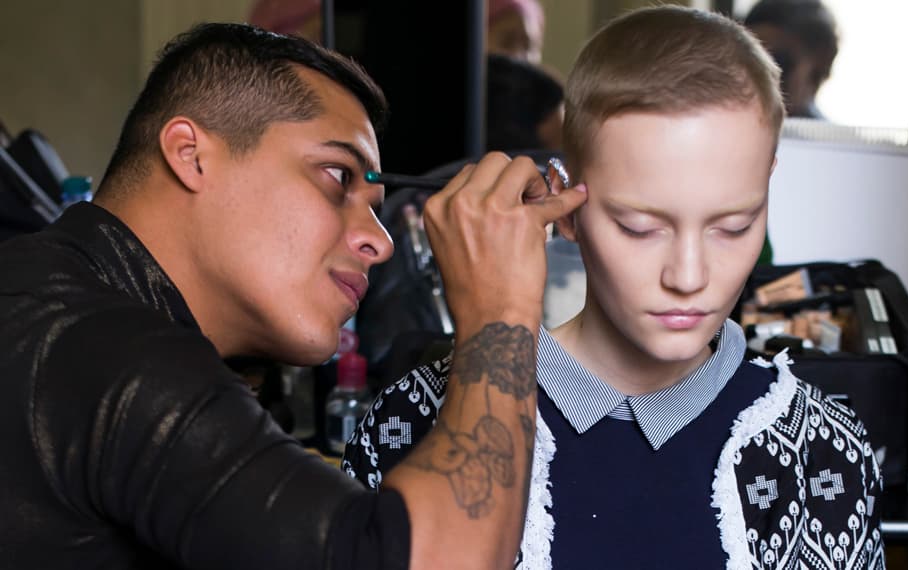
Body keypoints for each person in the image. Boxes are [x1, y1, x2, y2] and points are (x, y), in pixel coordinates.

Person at [0, 22, 587, 569]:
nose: (379, 244)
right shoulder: (100, 347)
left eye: (377, 208)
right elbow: (429, 558)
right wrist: (498, 308)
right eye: (338, 176)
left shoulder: (60, 292)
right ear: (190, 154)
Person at [343, 6, 884, 569]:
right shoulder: (415, 418)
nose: (689, 276)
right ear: (568, 207)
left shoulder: (819, 450)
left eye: (733, 226)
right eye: (640, 228)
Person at [744, 0, 839, 119]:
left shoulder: (826, 136)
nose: (761, 78)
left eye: (779, 62)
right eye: (750, 63)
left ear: (818, 70)